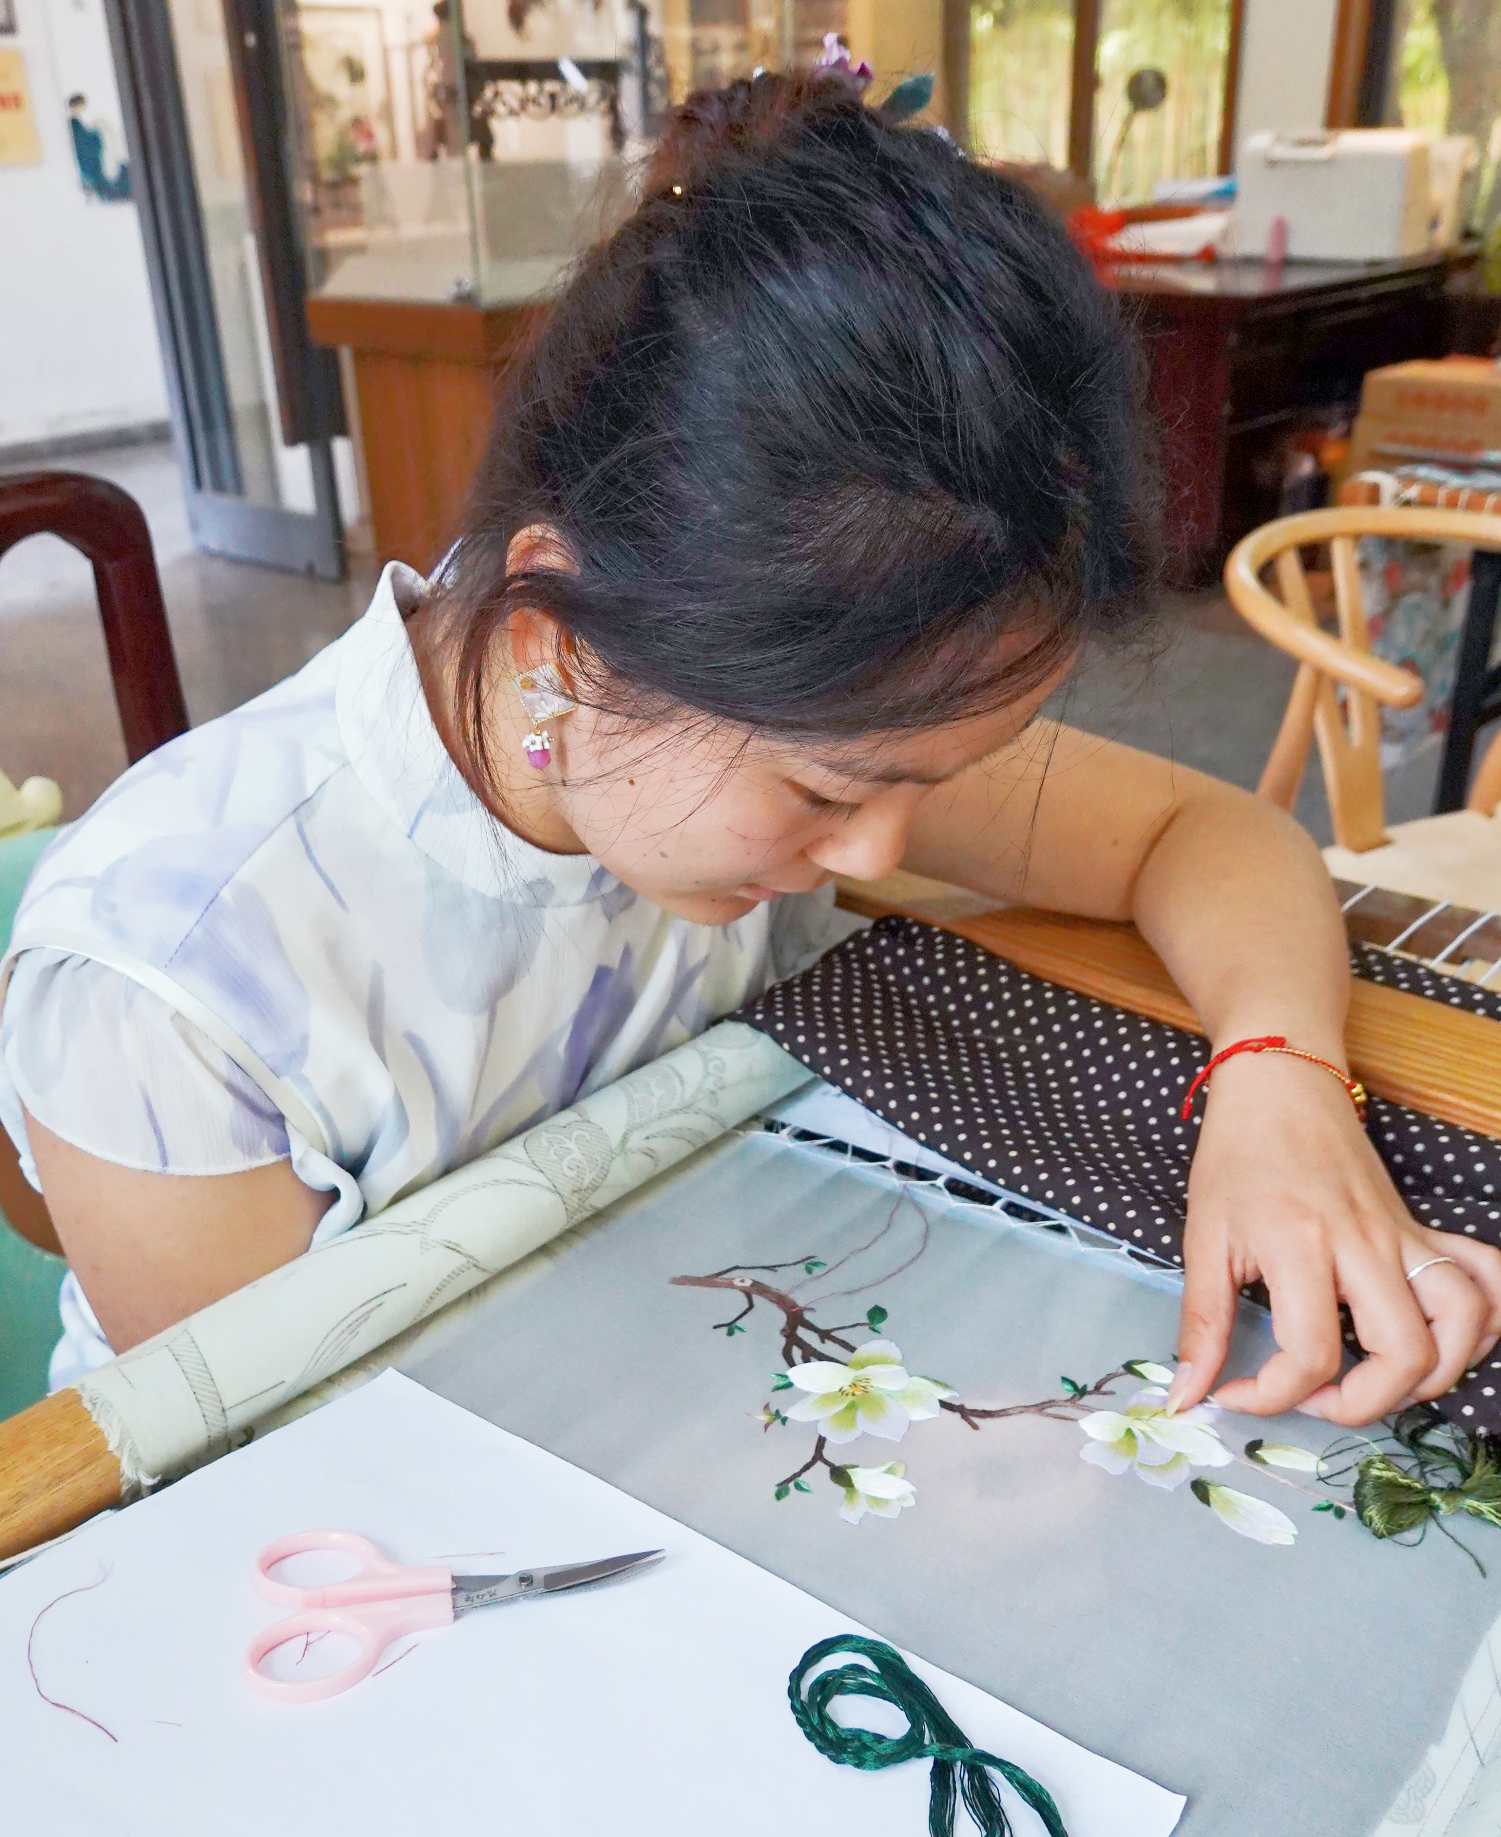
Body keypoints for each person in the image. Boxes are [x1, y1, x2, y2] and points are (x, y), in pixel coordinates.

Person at [3, 72, 1498, 1424]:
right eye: (832, 793)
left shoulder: (775, 703)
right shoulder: (177, 984)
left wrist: (1277, 1085)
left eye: (912, 784)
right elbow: (285, 1467)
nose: (884, 854)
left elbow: (1207, 839)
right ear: (557, 650)